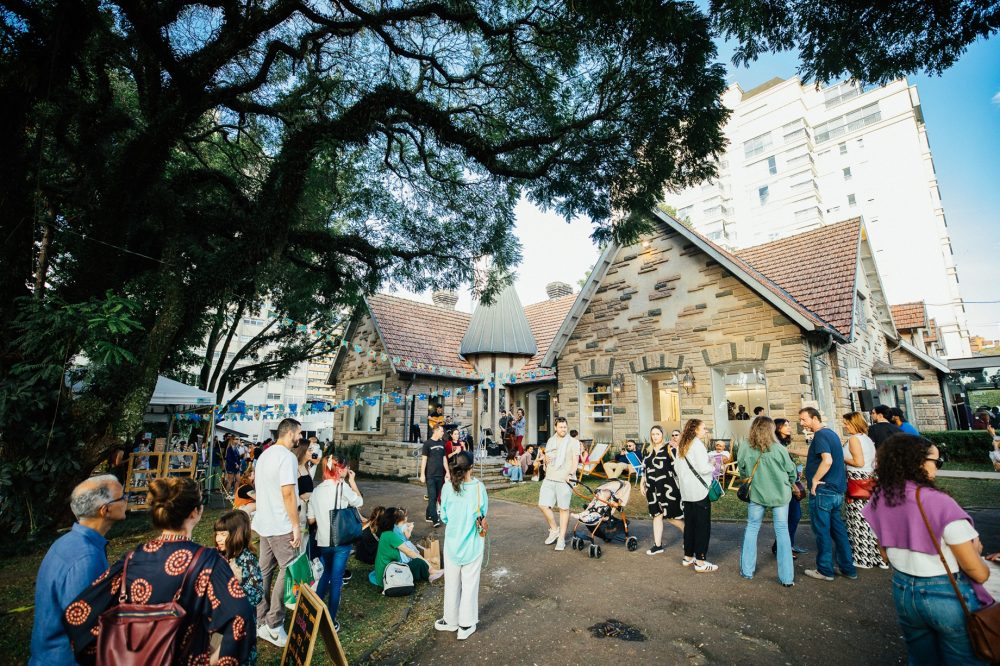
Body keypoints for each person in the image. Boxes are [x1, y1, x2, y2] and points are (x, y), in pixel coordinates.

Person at [63, 477, 255, 665]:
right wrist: (216, 660)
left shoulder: (132, 559)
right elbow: (241, 617)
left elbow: (77, 614)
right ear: (195, 512)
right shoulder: (209, 561)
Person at [863, 435, 994, 665]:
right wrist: (976, 549)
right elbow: (978, 573)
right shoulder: (938, 502)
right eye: (936, 461)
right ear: (918, 462)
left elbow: (883, 554)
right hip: (945, 592)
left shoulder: (881, 498)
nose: (938, 467)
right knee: (965, 659)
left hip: (904, 590)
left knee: (922, 659)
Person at [29, 475, 127, 665]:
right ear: (104, 510)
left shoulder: (67, 542)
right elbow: (88, 627)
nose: (126, 501)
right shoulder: (86, 559)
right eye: (121, 497)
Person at [252, 417, 303, 647]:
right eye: (299, 434)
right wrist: (295, 525)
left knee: (264, 571)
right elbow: (288, 493)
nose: (300, 438)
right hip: (281, 525)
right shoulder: (287, 457)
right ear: (290, 432)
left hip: (264, 522)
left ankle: (260, 618)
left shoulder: (264, 455)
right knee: (289, 570)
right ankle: (273, 624)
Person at [799, 407, 857, 582]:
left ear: (815, 418)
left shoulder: (820, 435)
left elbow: (828, 460)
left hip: (824, 491)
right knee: (838, 531)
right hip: (836, 490)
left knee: (822, 532)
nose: (802, 424)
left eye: (804, 420)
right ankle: (848, 568)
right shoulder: (831, 434)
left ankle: (825, 570)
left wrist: (815, 479)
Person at [738, 416, 797, 587]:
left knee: (752, 528)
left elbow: (742, 470)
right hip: (780, 494)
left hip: (756, 494)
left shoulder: (745, 447)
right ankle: (787, 577)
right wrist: (790, 482)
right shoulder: (779, 449)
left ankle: (747, 571)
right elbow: (791, 472)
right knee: (782, 531)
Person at [307, 453, 363, 631]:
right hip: (341, 541)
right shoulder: (342, 487)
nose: (347, 470)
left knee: (326, 574)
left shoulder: (316, 490)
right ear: (340, 469)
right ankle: (330, 621)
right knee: (336, 579)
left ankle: (313, 611)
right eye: (345, 467)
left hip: (323, 540)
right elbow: (359, 501)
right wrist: (353, 482)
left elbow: (310, 520)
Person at [436, 452, 488, 641]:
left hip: (452, 543)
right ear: (471, 467)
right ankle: (465, 624)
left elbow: (444, 516)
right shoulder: (478, 487)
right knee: (470, 584)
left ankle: (450, 620)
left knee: (451, 583)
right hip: (473, 543)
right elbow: (483, 512)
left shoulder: (447, 487)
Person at [214, 510, 264, 666]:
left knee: (241, 657)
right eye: (217, 534)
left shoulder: (247, 561)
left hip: (242, 625)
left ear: (237, 534)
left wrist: (232, 588)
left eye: (223, 534)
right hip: (222, 623)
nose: (218, 539)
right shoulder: (220, 556)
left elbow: (256, 595)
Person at [842, 412, 888, 569]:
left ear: (854, 423)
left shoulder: (854, 439)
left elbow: (858, 462)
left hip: (857, 481)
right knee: (870, 522)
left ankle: (862, 558)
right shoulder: (867, 439)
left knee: (858, 521)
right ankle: (877, 558)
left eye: (846, 423)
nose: (844, 426)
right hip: (869, 481)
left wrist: (840, 457)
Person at [674, 419, 718, 572]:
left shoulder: (682, 445)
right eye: (703, 428)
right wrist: (712, 463)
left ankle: (688, 557)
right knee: (702, 527)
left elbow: (676, 468)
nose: (705, 430)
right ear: (695, 430)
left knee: (690, 526)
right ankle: (700, 561)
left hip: (687, 492)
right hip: (700, 491)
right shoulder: (697, 445)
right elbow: (703, 468)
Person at [537, 417, 581, 551]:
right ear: (555, 427)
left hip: (564, 480)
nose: (563, 429)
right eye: (560, 427)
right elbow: (548, 457)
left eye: (565, 427)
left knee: (563, 508)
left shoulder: (573, 442)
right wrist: (545, 458)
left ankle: (561, 538)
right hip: (549, 478)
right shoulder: (551, 440)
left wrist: (571, 474)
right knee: (543, 505)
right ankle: (555, 529)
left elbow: (575, 460)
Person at [640, 426, 685, 556]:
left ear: (662, 435)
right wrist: (643, 483)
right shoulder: (648, 451)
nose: (655, 436)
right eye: (653, 434)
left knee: (672, 516)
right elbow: (645, 469)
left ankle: (689, 536)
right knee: (657, 515)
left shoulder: (670, 449)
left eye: (657, 434)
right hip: (652, 489)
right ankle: (657, 545)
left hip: (668, 488)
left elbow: (679, 467)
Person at [371, 508, 441, 586]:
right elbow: (409, 552)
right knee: (418, 562)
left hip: (385, 574)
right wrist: (429, 565)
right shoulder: (391, 535)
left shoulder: (386, 533)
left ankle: (432, 573)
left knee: (417, 561)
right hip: (388, 577)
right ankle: (431, 574)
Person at [771, 418, 807, 557]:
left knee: (794, 516)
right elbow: (780, 469)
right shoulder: (777, 445)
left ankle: (784, 545)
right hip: (785, 486)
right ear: (778, 428)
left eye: (789, 424)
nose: (789, 427)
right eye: (785, 425)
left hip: (790, 483)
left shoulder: (784, 444)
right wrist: (793, 485)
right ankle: (783, 547)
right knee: (791, 516)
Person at [420, 424, 447, 527]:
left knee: (435, 497)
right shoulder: (427, 444)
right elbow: (424, 460)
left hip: (440, 475)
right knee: (432, 497)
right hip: (430, 475)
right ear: (435, 431)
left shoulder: (442, 443)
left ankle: (428, 515)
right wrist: (422, 474)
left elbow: (444, 459)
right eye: (441, 431)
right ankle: (435, 520)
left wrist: (447, 472)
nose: (443, 433)